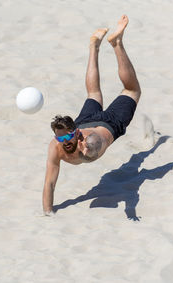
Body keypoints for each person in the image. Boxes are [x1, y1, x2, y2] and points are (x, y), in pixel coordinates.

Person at [43, 15, 141, 215]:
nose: (64, 141)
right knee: (94, 93)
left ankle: (117, 44)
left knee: (131, 91)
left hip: (106, 125)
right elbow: (50, 182)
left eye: (68, 137)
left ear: (77, 134)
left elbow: (94, 146)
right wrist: (47, 212)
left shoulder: (90, 143)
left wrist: (89, 150)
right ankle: (95, 46)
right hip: (92, 122)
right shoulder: (56, 146)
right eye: (60, 138)